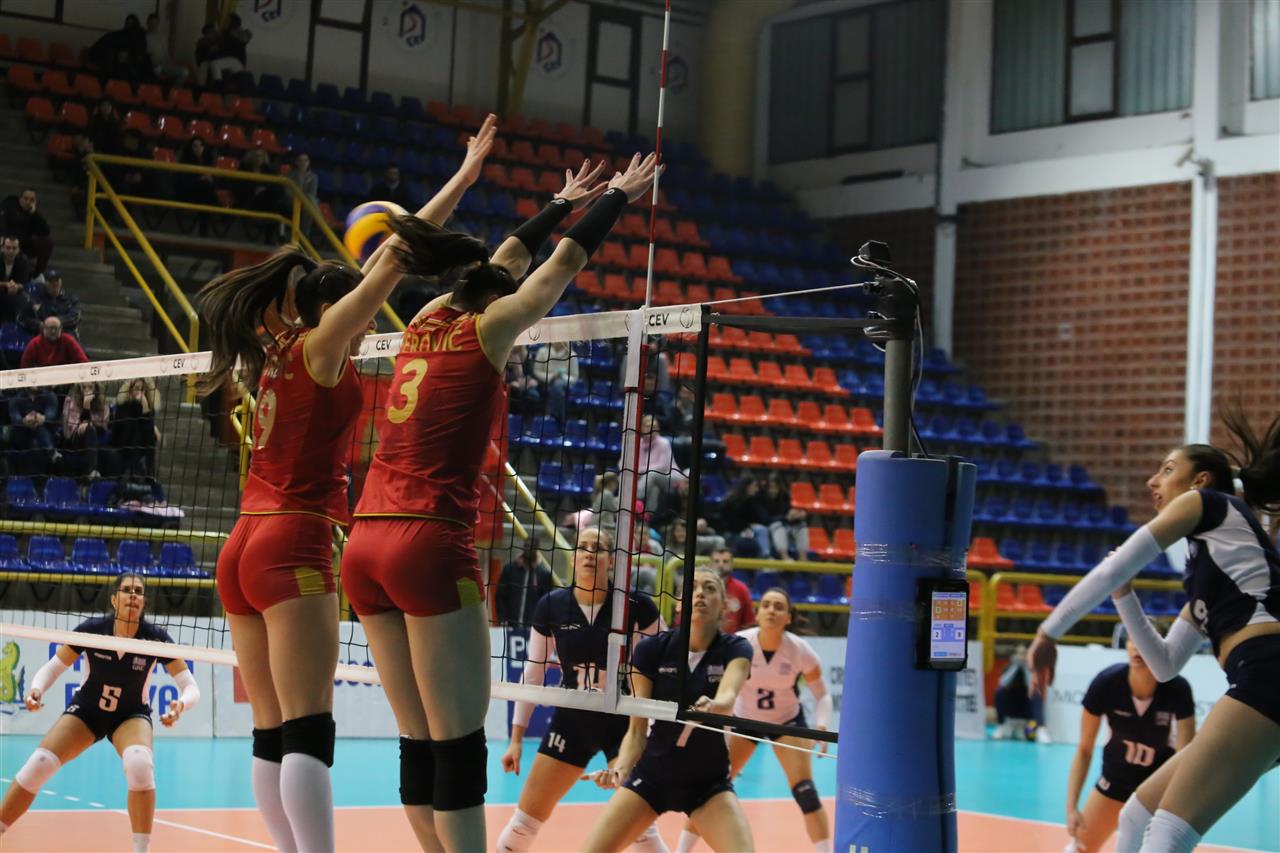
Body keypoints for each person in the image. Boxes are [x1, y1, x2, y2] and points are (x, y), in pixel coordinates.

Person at [340, 152, 655, 852]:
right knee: (458, 743)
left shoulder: (424, 317)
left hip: (363, 543)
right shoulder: (492, 327)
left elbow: (510, 258)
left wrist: (559, 202)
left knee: (418, 735)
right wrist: (616, 197)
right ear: (496, 296)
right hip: (427, 542)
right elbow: (558, 266)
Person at [202, 115, 498, 853]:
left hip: (242, 540)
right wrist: (462, 178)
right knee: (308, 728)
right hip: (291, 539)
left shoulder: (272, 350)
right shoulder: (320, 345)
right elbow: (396, 255)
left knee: (270, 730)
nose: (368, 328)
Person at [1026, 412, 1280, 853]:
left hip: (1268, 673)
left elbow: (1114, 565)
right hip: (1260, 676)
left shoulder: (1206, 502)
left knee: (1167, 833)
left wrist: (1049, 632)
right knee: (1136, 815)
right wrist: (1123, 595)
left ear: (1199, 481)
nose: (1151, 481)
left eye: (1166, 469)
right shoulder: (1215, 570)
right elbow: (1165, 665)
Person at [0, 573, 199, 853]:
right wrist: (36, 689)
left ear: (144, 602)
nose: (133, 595)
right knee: (40, 762)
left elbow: (190, 687)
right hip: (88, 711)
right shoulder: (93, 630)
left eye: (138, 591)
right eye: (126, 590)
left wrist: (181, 704)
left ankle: (141, 850)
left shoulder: (155, 637)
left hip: (130, 715)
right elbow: (54, 667)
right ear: (114, 599)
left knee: (140, 764)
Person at [497, 527, 665, 853]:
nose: (589, 553)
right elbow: (533, 672)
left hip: (624, 725)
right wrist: (516, 738)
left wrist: (655, 727)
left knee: (642, 830)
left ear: (611, 560)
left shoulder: (637, 605)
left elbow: (664, 664)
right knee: (523, 824)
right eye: (582, 547)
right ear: (573, 558)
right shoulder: (551, 605)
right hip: (571, 722)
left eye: (598, 548)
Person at [582, 567, 755, 853]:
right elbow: (636, 731)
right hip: (652, 778)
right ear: (678, 603)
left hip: (708, 786)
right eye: (692, 587)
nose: (700, 593)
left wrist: (714, 706)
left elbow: (727, 696)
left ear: (723, 605)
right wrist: (620, 769)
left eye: (710, 588)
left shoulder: (736, 648)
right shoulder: (651, 650)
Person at [676, 588, 833, 853]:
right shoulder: (740, 643)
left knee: (806, 792)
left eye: (779, 607)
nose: (771, 610)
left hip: (786, 721)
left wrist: (821, 725)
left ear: (788, 618)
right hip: (744, 720)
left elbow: (823, 695)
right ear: (757, 614)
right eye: (766, 605)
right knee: (710, 790)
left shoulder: (799, 650)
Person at [1065, 633, 1196, 853]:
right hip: (1115, 780)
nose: (1137, 647)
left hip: (1156, 786)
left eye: (1144, 640)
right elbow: (1084, 749)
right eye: (1132, 640)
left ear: (1160, 648)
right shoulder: (1106, 683)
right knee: (1079, 848)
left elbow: (1185, 754)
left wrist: (1175, 808)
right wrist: (1071, 807)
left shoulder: (1177, 688)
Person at [494, 535, 554, 628]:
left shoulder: (544, 574)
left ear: (537, 549)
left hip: (533, 627)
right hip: (510, 625)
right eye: (526, 546)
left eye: (532, 547)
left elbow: (547, 603)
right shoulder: (510, 569)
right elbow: (500, 595)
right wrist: (502, 619)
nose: (528, 549)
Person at [992, 646, 1047, 742]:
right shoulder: (1008, 667)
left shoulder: (1032, 668)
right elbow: (1002, 683)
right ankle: (1000, 726)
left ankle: (1041, 729)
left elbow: (1031, 685)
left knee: (1036, 694)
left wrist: (1025, 667)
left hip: (1026, 708)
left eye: (1024, 654)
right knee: (999, 692)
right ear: (1014, 655)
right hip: (1012, 707)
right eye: (1020, 653)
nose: (1022, 656)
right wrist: (1016, 667)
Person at [113, 378, 162, 479]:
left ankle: (149, 474)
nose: (140, 392)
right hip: (122, 441)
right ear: (130, 390)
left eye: (142, 389)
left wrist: (145, 408)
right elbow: (120, 426)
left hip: (140, 444)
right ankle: (139, 473)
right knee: (136, 432)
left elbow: (148, 431)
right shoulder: (123, 404)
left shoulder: (148, 406)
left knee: (151, 436)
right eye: (137, 388)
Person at [62, 381, 112, 480]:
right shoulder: (70, 401)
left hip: (96, 438)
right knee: (89, 429)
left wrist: (88, 422)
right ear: (79, 388)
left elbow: (103, 426)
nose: (87, 390)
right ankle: (92, 470)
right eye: (84, 387)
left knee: (112, 455)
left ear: (95, 389)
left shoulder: (103, 402)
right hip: (75, 439)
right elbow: (71, 427)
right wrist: (86, 407)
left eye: (90, 387)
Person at [719, 474, 775, 558]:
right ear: (747, 486)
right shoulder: (731, 501)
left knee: (764, 529)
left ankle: (764, 556)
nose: (757, 489)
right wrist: (747, 526)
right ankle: (765, 556)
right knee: (761, 530)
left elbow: (764, 518)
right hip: (733, 531)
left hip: (748, 529)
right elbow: (729, 521)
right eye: (755, 486)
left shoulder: (753, 501)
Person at [6, 388, 59, 474]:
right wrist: (24, 421)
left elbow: (51, 415)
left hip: (44, 435)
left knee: (38, 427)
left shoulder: (49, 395)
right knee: (32, 427)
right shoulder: (16, 398)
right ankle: (51, 451)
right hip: (22, 436)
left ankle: (50, 453)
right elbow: (15, 418)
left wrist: (42, 418)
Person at [1, 190, 53, 275]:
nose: (28, 202)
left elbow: (45, 231)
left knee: (48, 242)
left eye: (31, 200)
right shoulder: (10, 203)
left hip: (24, 245)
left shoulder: (33, 215)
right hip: (6, 240)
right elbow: (2, 218)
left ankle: (37, 274)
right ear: (20, 199)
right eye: (25, 198)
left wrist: (34, 213)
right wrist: (2, 235)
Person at [762, 474, 810, 561]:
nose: (773, 490)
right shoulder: (759, 498)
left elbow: (788, 512)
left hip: (785, 525)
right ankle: (784, 557)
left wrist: (797, 515)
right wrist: (785, 518)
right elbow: (765, 519)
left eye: (775, 487)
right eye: (770, 488)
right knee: (777, 525)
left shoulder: (784, 496)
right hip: (768, 527)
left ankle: (803, 557)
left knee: (801, 525)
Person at [709, 547, 756, 633]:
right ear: (710, 564)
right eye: (716, 561)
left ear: (732, 565)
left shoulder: (741, 589)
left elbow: (749, 623)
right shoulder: (701, 588)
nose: (720, 565)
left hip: (732, 639)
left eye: (725, 561)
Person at [529, 339, 578, 422]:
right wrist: (551, 377)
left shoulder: (572, 355)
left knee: (557, 385)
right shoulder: (543, 352)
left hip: (563, 384)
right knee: (556, 387)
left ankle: (551, 415)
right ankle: (559, 418)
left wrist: (562, 376)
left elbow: (574, 377)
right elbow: (536, 371)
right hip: (544, 383)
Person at [200, 14, 253, 88]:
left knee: (215, 64)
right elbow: (219, 47)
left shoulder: (236, 31)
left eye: (226, 20)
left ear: (232, 22)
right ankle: (201, 87)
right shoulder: (225, 33)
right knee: (204, 64)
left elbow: (247, 35)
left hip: (237, 62)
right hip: (227, 60)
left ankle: (218, 86)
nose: (224, 21)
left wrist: (244, 36)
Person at [25, 269, 81, 334]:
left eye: (57, 280)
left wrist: (52, 323)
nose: (55, 284)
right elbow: (25, 318)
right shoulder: (36, 299)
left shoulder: (72, 299)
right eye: (51, 281)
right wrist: (39, 325)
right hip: (42, 335)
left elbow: (75, 317)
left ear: (61, 282)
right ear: (45, 283)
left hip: (66, 334)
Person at [21, 316, 88, 368]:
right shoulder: (34, 343)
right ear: (43, 329)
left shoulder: (69, 340)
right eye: (50, 328)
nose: (53, 331)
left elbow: (83, 361)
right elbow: (25, 365)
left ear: (61, 329)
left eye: (56, 328)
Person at [145, 5, 189, 87]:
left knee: (184, 72)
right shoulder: (144, 37)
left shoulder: (162, 36)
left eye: (155, 23)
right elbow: (148, 54)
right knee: (183, 72)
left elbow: (166, 53)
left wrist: (170, 62)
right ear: (147, 23)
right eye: (151, 22)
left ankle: (173, 90)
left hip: (165, 64)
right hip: (155, 66)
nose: (153, 25)